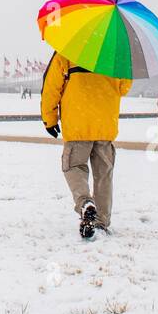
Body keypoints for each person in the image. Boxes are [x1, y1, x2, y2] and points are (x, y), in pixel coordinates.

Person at [40, 51, 132, 239]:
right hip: (105, 124)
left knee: (73, 167)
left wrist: (49, 119)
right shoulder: (115, 53)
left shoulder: (67, 51)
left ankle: (84, 203)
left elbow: (51, 87)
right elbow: (124, 87)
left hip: (77, 124)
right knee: (104, 176)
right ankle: (101, 222)